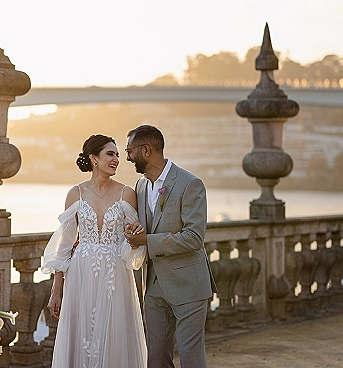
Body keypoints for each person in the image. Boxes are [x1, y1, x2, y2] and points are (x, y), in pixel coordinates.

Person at [42, 134, 147, 368]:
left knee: (115, 332)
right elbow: (64, 246)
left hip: (115, 274)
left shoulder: (126, 194)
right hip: (80, 273)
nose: (116, 159)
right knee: (81, 334)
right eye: (110, 154)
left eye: (118, 155)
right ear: (93, 158)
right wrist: (56, 290)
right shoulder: (75, 194)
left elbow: (134, 241)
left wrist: (133, 237)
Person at [124, 125, 217, 368]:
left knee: (190, 357)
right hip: (153, 286)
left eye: (130, 150)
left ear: (146, 150)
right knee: (155, 358)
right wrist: (134, 232)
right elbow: (146, 226)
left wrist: (148, 241)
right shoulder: (141, 186)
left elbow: (194, 237)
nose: (127, 157)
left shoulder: (190, 184)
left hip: (188, 284)